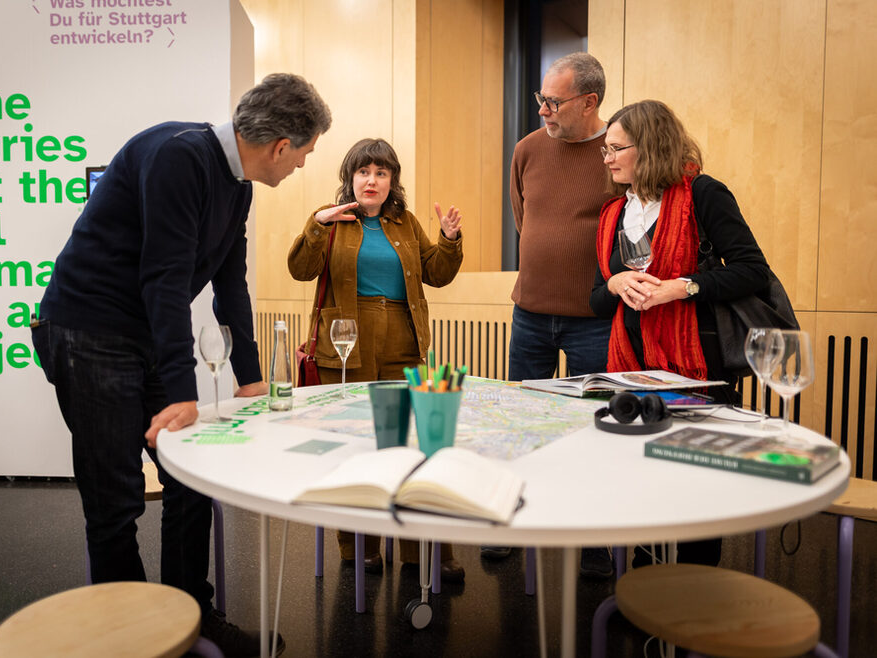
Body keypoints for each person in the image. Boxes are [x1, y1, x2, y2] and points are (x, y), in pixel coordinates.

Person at [32, 73, 331, 657]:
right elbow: (164, 283)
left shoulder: (237, 185)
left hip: (139, 334)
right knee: (115, 499)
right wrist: (178, 391)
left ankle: (189, 620)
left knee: (190, 479)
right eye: (305, 154)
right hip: (88, 332)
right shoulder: (178, 158)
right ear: (280, 147)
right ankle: (134, 638)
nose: (301, 166)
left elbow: (230, 285)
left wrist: (249, 375)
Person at [589, 99, 772, 567]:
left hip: (696, 367)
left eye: (615, 148)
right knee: (641, 483)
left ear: (648, 147)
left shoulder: (704, 194)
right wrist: (614, 283)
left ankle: (690, 601)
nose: (606, 158)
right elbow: (594, 300)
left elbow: (752, 271)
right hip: (630, 368)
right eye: (605, 149)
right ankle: (645, 594)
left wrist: (682, 287)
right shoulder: (614, 213)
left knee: (693, 489)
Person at [287, 138, 466, 582]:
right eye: (364, 172)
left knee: (412, 446)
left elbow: (437, 274)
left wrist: (448, 238)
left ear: (392, 181)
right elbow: (299, 269)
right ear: (350, 177)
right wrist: (315, 224)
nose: (372, 180)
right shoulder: (332, 220)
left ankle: (420, 547)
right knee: (354, 446)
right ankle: (358, 545)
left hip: (403, 342)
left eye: (381, 173)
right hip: (345, 344)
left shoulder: (404, 222)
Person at [494, 52, 614, 576]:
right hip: (531, 316)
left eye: (553, 102)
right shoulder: (526, 150)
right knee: (519, 429)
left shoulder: (617, 151)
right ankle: (512, 524)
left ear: (589, 102)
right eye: (541, 99)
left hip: (595, 319)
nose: (543, 110)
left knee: (592, 430)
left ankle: (590, 542)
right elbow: (526, 221)